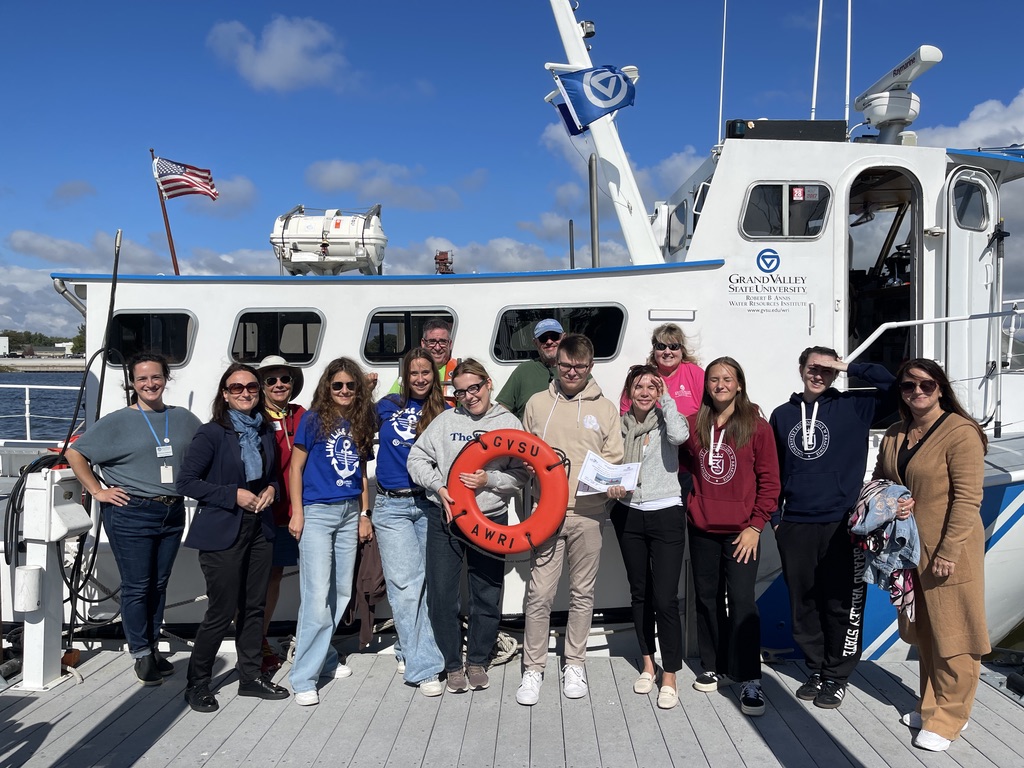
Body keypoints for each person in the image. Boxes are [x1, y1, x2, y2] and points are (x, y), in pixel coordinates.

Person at [768, 347, 895, 709]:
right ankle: (817, 668)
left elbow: (895, 386)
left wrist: (848, 366)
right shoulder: (782, 415)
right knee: (803, 602)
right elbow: (774, 471)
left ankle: (838, 675)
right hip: (796, 524)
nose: (819, 374)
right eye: (813, 367)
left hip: (844, 524)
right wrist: (777, 521)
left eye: (828, 369)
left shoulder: (855, 407)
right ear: (801, 368)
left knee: (843, 603)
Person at [65, 353, 202, 686]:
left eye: (155, 377)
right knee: (138, 587)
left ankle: (152, 647)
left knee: (158, 585)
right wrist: (98, 491)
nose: (149, 384)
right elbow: (75, 453)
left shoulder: (182, 418)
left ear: (166, 378)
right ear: (132, 384)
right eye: (142, 379)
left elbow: (207, 450)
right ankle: (141, 652)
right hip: (131, 512)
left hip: (171, 511)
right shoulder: (118, 420)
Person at [873, 358, 988, 752]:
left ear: (940, 387)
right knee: (925, 632)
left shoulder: (961, 433)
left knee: (955, 633)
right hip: (908, 552)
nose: (917, 392)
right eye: (909, 386)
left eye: (926, 385)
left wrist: (949, 550)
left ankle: (953, 715)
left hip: (947, 550)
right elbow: (880, 482)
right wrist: (893, 501)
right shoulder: (894, 433)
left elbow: (969, 497)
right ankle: (931, 703)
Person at [407, 358, 527, 694]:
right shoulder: (446, 421)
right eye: (460, 392)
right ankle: (451, 664)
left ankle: (477, 659)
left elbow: (521, 474)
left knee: (486, 592)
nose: (469, 397)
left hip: (490, 517)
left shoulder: (509, 422)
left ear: (488, 384)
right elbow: (416, 458)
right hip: (445, 518)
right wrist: (439, 487)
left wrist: (489, 479)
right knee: (443, 595)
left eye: (474, 388)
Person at [517, 333, 624, 706]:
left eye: (579, 366)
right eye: (565, 365)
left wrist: (613, 486)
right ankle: (533, 668)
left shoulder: (606, 408)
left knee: (582, 595)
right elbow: (522, 455)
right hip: (545, 515)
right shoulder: (535, 404)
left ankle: (574, 663)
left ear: (590, 366)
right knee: (539, 594)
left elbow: (613, 457)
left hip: (589, 516)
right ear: (556, 364)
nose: (572, 371)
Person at [177, 363, 286, 713]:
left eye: (251, 387)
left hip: (260, 529)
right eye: (236, 388)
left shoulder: (264, 430)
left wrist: (271, 488)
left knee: (254, 607)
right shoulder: (211, 433)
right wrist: (232, 494)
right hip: (223, 530)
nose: (244, 393)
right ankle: (197, 683)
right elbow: (187, 482)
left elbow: (275, 476)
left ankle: (250, 678)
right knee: (221, 611)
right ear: (225, 394)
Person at [681, 357, 780, 717]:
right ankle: (714, 665)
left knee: (741, 602)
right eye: (713, 379)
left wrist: (756, 527)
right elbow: (678, 465)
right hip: (703, 527)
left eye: (727, 378)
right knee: (707, 599)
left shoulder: (757, 427)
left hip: (743, 533)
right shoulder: (694, 425)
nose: (720, 384)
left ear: (739, 383)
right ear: (706, 386)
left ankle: (748, 677)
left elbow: (771, 483)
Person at [288, 357, 376, 706]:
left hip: (349, 511)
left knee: (340, 591)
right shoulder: (312, 420)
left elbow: (363, 474)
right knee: (315, 593)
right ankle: (303, 676)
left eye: (350, 386)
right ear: (327, 387)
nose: (343, 391)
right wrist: (297, 512)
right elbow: (295, 469)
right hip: (317, 514)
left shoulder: (361, 420)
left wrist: (364, 514)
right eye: (337, 385)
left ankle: (323, 656)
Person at [606, 364, 689, 709]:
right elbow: (608, 461)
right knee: (639, 592)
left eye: (650, 387)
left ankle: (670, 674)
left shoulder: (667, 419)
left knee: (665, 597)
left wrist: (668, 399)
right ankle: (647, 663)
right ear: (628, 391)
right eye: (638, 386)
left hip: (666, 511)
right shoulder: (619, 426)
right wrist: (609, 485)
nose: (644, 392)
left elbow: (680, 438)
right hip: (629, 512)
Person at [373, 348, 447, 697]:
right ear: (404, 375)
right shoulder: (386, 406)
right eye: (413, 373)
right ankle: (426, 667)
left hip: (428, 503)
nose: (420, 379)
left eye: (426, 373)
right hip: (392, 506)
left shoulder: (445, 411)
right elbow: (346, 424)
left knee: (430, 584)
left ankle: (408, 649)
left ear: (435, 375)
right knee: (404, 585)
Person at [255, 355, 306, 675]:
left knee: (280, 576)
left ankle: (311, 640)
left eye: (284, 379)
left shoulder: (301, 414)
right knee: (260, 579)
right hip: (262, 512)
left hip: (296, 512)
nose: (278, 385)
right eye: (271, 380)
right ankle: (257, 639)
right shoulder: (253, 415)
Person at [619, 323, 703, 416]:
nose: (667, 352)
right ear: (654, 350)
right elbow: (625, 413)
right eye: (661, 347)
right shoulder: (642, 376)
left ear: (682, 350)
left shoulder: (696, 374)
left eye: (673, 347)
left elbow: (707, 412)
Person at [497, 318, 563, 420]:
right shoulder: (523, 371)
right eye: (543, 338)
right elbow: (502, 410)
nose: (549, 341)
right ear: (535, 343)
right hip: (528, 435)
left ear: (564, 338)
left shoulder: (577, 369)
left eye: (554, 336)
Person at [390, 318, 458, 406]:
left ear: (450, 344)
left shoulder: (459, 371)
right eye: (432, 342)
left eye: (442, 342)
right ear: (423, 343)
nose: (437, 347)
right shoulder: (411, 370)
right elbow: (390, 403)